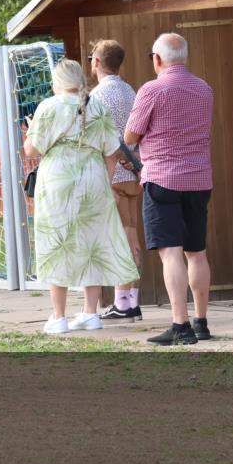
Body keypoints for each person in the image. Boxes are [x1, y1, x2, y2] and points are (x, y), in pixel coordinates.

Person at [24, 59, 139, 334]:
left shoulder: (48, 107)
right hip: (94, 179)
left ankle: (59, 316)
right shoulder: (97, 106)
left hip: (58, 181)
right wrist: (107, 183)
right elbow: (111, 153)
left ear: (58, 81)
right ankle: (90, 313)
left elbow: (30, 149)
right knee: (93, 242)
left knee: (57, 241)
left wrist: (31, 128)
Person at [125, 33, 214, 346]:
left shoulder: (152, 89)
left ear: (157, 59)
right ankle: (201, 321)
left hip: (163, 178)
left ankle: (180, 325)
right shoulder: (204, 89)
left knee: (171, 252)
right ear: (184, 56)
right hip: (200, 179)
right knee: (197, 252)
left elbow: (131, 135)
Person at [87, 40, 144, 321]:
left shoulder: (97, 95)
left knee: (119, 238)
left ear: (97, 61)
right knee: (131, 233)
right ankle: (132, 300)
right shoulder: (129, 90)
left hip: (112, 173)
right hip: (133, 171)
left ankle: (123, 302)